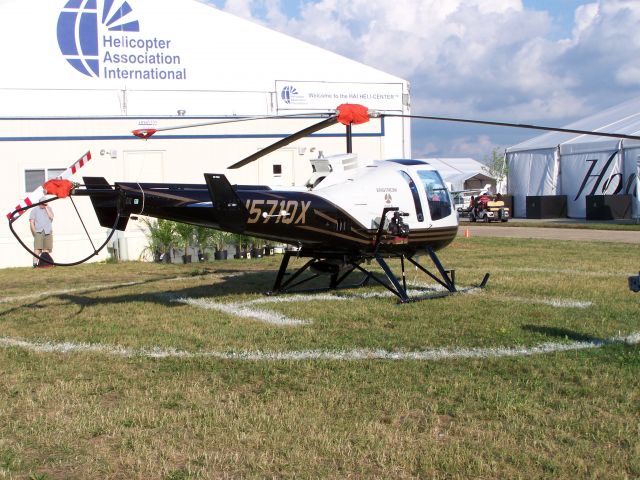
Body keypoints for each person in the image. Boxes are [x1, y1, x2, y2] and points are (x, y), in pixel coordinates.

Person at [29, 197, 54, 267]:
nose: (43, 205)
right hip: (39, 231)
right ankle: (34, 264)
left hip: (48, 231)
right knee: (37, 249)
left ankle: (46, 264)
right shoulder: (34, 210)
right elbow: (31, 222)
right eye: (43, 204)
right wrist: (35, 232)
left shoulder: (49, 209)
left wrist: (46, 208)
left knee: (46, 249)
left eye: (45, 204)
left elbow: (51, 217)